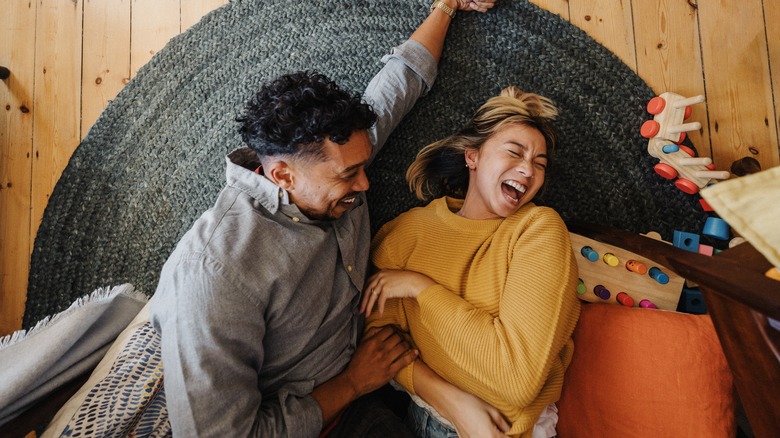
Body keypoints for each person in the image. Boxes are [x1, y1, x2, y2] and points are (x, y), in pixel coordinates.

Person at [150, 1, 497, 436]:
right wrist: (352, 382)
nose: (367, 185)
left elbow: (401, 81)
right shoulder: (214, 274)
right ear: (281, 175)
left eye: (363, 165)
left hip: (375, 362)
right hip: (323, 416)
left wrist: (447, 6)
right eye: (350, 175)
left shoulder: (334, 153)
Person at [360, 86, 581, 438]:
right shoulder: (406, 233)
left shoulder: (537, 230)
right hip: (426, 418)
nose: (528, 170)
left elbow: (515, 381)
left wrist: (421, 287)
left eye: (539, 164)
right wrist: (451, 400)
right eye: (515, 152)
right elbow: (379, 343)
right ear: (472, 157)